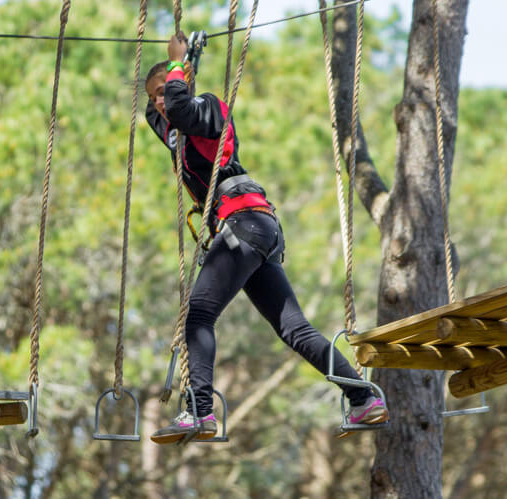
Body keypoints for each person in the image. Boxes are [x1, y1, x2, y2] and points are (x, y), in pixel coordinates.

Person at [145, 33, 387, 444]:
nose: (159, 102)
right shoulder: (178, 131)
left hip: (244, 223)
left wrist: (178, 64)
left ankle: (200, 411)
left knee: (200, 315)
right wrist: (176, 75)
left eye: (162, 93)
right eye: (152, 97)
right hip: (253, 229)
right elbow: (164, 121)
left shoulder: (209, 110)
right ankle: (363, 396)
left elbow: (181, 109)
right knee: (295, 330)